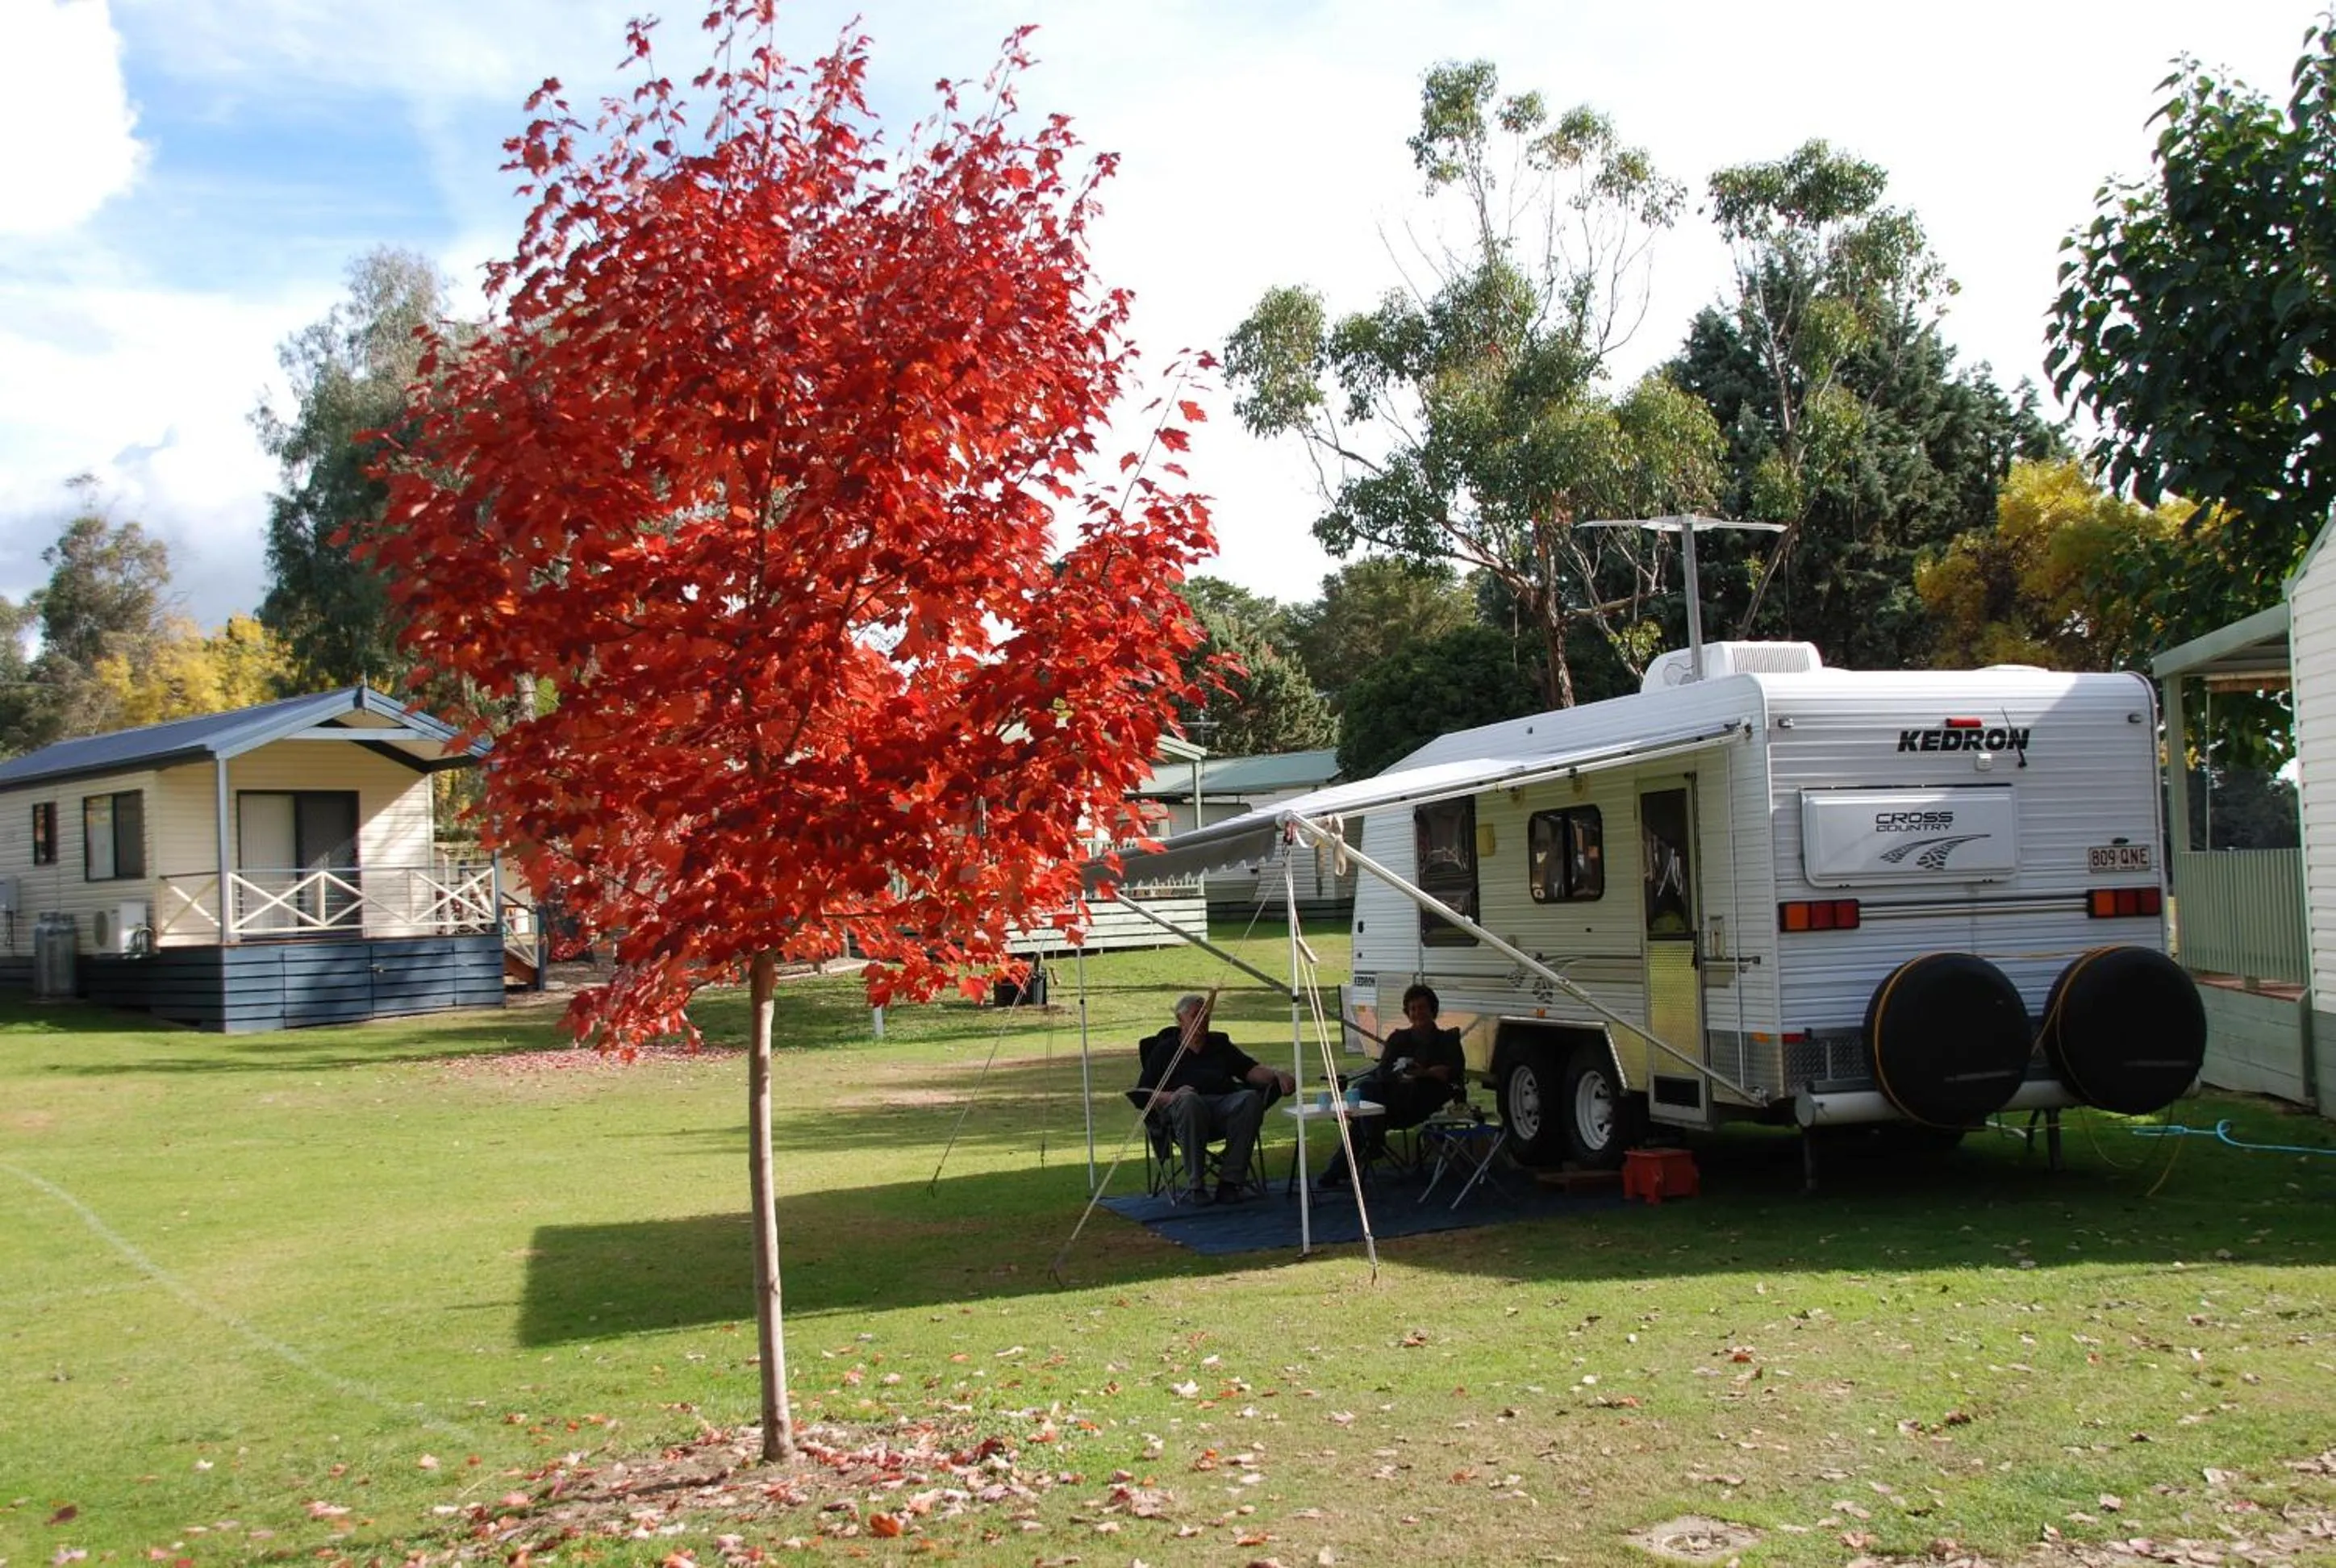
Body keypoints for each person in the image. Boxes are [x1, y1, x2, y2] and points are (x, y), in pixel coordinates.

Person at [1133, 993, 1295, 1205]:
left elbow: (1249, 1069)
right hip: (1183, 1113)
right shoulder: (1165, 1050)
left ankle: (1230, 1182)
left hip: (1222, 1107)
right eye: (1195, 1016)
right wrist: (1173, 1096)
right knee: (1191, 1101)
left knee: (1249, 1099)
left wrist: (1276, 1074)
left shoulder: (1219, 1044)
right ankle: (1196, 1185)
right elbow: (1142, 1094)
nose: (1202, 1021)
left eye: (1206, 1016)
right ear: (1181, 1020)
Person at [1316, 982, 1465, 1190]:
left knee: (1365, 1104)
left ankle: (1346, 1163)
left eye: (1422, 1007)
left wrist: (1424, 1073)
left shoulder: (1446, 1040)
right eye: (1413, 1009)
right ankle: (1371, 1144)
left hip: (1422, 1099)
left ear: (1432, 1009)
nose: (1417, 1013)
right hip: (1392, 1098)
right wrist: (1402, 1075)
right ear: (1407, 1012)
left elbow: (1453, 1073)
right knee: (1366, 1093)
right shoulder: (1398, 1038)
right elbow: (1383, 1072)